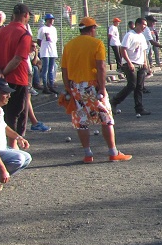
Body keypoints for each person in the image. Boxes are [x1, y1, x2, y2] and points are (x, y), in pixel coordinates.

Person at [59, 17, 132, 164]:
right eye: (95, 29)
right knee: (106, 118)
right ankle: (112, 151)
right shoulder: (97, 44)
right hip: (92, 85)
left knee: (81, 121)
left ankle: (87, 154)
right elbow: (101, 67)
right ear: (91, 29)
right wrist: (102, 87)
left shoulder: (69, 45)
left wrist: (68, 88)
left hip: (75, 87)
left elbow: (64, 69)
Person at [0, 3, 33, 143]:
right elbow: (18, 58)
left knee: (5, 112)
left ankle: (7, 142)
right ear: (26, 15)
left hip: (2, 79)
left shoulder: (0, 32)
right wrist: (5, 71)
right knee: (17, 113)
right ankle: (14, 144)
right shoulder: (24, 34)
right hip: (17, 78)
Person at [110, 17, 152, 116]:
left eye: (145, 25)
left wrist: (145, 63)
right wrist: (129, 62)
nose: (144, 27)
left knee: (139, 87)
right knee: (132, 85)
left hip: (141, 64)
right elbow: (123, 49)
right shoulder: (129, 35)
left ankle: (139, 108)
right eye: (143, 25)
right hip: (131, 63)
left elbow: (144, 50)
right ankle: (114, 101)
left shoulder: (141, 36)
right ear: (137, 24)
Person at [37, 13, 59, 94]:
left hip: (52, 51)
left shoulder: (54, 29)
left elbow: (55, 40)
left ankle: (51, 85)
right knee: (45, 69)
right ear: (46, 20)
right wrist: (43, 46)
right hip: (45, 51)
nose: (52, 21)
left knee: (51, 70)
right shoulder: (42, 29)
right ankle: (45, 86)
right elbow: (39, 40)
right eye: (50, 19)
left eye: (52, 19)